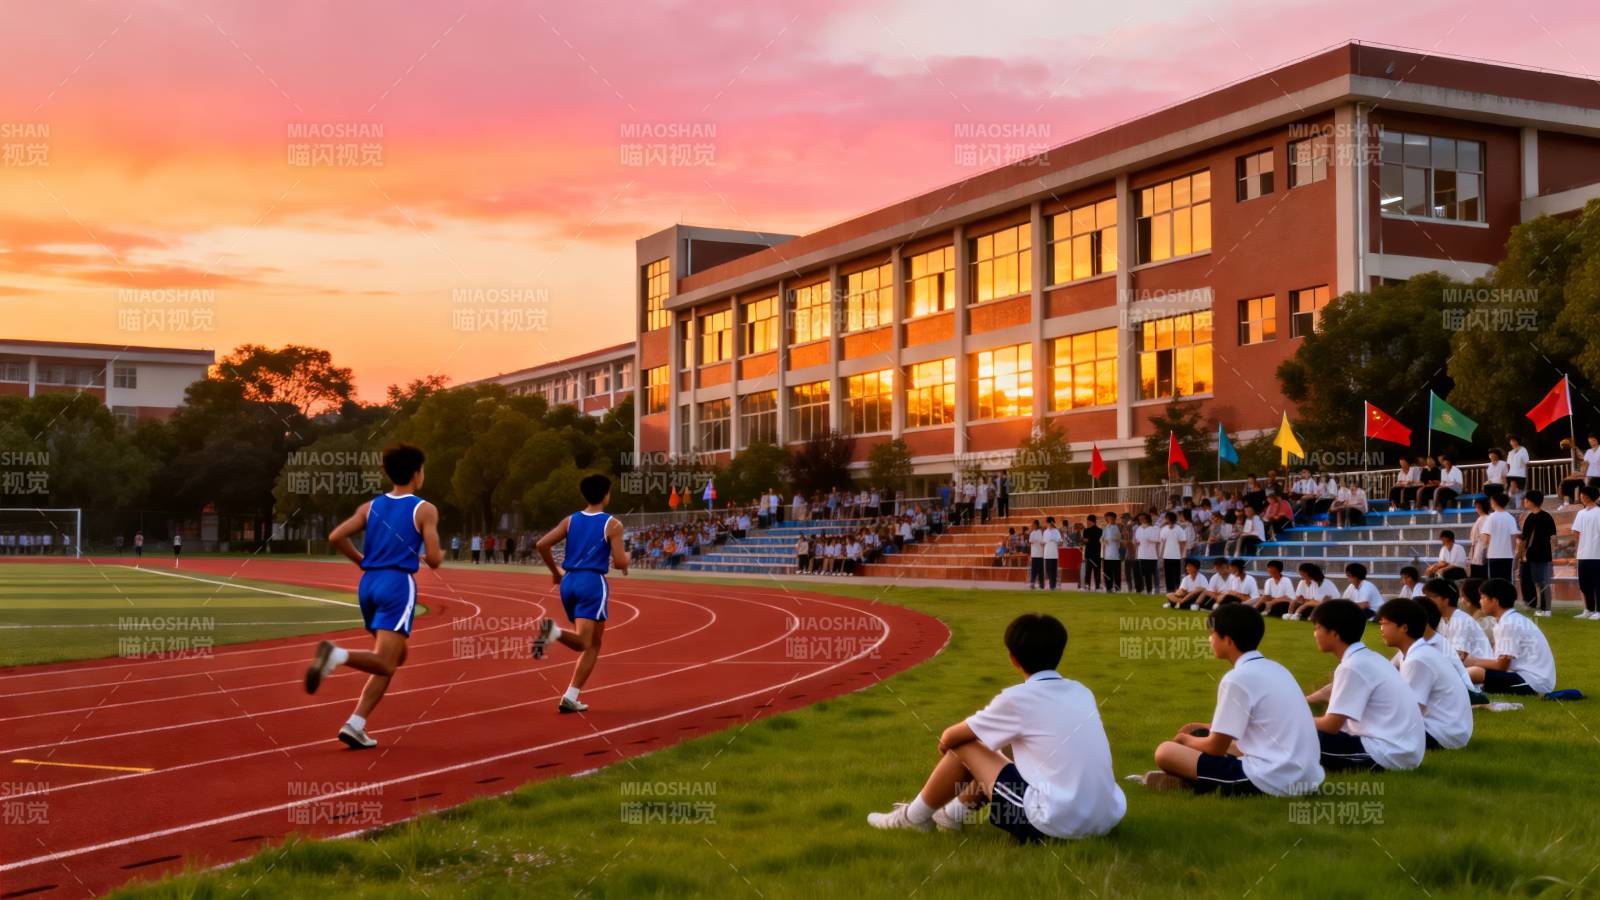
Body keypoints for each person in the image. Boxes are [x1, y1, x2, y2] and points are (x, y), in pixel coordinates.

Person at [866, 613, 1125, 840]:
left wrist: (952, 755)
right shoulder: (1082, 691)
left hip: (1055, 823)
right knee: (1009, 744)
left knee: (967, 745)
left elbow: (951, 737)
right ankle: (952, 814)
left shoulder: (1017, 699)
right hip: (1106, 817)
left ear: (1013, 659)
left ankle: (913, 818)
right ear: (1060, 652)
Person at [304, 443, 444, 749]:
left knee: (394, 657)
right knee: (385, 661)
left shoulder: (370, 507)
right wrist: (438, 553)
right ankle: (336, 655)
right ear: (418, 473)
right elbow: (433, 559)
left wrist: (362, 561)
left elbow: (336, 537)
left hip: (368, 585)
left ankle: (356, 724)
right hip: (397, 584)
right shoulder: (424, 509)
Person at [1137, 604, 1324, 796]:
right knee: (1202, 733)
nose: (1210, 640)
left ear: (1227, 640)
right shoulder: (1277, 668)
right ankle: (1194, 780)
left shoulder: (1236, 679)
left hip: (1273, 779)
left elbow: (1215, 748)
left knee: (1165, 751)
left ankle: (1193, 782)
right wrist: (1205, 728)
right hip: (1307, 776)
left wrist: (1184, 740)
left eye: (1212, 634)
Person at [531, 473, 631, 713]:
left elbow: (542, 544)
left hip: (569, 581)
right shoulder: (612, 524)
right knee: (585, 642)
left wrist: (555, 571)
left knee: (594, 643)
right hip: (592, 583)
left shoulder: (570, 520)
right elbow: (618, 561)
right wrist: (626, 560)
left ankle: (571, 696)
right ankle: (553, 631)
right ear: (606, 495)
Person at [1304, 599, 1426, 772]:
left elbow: (1332, 725)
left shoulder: (1353, 666)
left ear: (1334, 633)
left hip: (1386, 754)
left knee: (1297, 736)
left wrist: (1293, 721)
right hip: (1402, 750)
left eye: (1317, 628)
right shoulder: (1369, 658)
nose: (1315, 633)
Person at [1376, 598, 1472, 750]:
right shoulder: (1414, 651)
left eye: (1384, 623)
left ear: (1404, 627)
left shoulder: (1418, 659)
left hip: (1441, 734)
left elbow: (1410, 712)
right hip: (1447, 730)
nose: (1381, 629)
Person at [1465, 578, 1556, 696]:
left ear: (1495, 601)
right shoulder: (1511, 619)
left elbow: (1501, 666)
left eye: (1483, 597)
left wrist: (1472, 661)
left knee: (1474, 672)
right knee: (1472, 671)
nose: (1480, 601)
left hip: (1532, 683)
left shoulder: (1509, 623)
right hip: (1532, 679)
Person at [1518, 489, 1555, 617]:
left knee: (1542, 582)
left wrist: (1520, 554)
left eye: (1526, 500)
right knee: (1539, 582)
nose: (1524, 502)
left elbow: (1524, 539)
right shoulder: (1546, 516)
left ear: (1532, 502)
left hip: (1538, 555)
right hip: (1539, 555)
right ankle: (1543, 607)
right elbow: (1553, 538)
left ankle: (1546, 609)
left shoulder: (1532, 518)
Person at [1572, 485, 1600, 620]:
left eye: (1582, 494)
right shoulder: (1581, 513)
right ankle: (1588, 609)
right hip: (1583, 555)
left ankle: (1598, 611)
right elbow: (1576, 532)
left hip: (1597, 554)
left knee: (1598, 584)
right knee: (1585, 584)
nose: (1580, 497)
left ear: (1587, 496)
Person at [1480, 492, 1519, 583]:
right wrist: (1512, 552)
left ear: (1494, 502)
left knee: (1494, 582)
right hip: (1507, 555)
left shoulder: (1491, 518)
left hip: (1493, 555)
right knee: (1506, 581)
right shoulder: (1510, 518)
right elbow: (1514, 537)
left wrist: (1485, 551)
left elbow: (1486, 539)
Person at [1158, 512, 1186, 593]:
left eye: (1166, 518)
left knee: (1176, 575)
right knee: (1168, 574)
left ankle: (1177, 591)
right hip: (1167, 556)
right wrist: (1161, 555)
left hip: (1176, 556)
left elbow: (1182, 542)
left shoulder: (1179, 529)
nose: (1165, 520)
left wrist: (1181, 554)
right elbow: (1162, 542)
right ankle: (1169, 591)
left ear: (1169, 519)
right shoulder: (1164, 529)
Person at [1134, 513, 1159, 595]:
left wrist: (1151, 540)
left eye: (1142, 518)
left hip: (1151, 555)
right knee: (1141, 574)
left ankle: (1150, 590)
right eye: (1139, 518)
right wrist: (1136, 542)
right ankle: (1141, 589)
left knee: (1149, 574)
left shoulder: (1153, 528)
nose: (1141, 520)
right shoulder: (1138, 529)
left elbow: (1158, 540)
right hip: (1141, 555)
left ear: (1147, 519)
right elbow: (1137, 540)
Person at [1101, 513, 1122, 593]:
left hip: (1115, 554)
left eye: (1108, 517)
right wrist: (1103, 540)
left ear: (1113, 518)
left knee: (1116, 573)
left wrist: (1111, 538)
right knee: (1107, 572)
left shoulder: (1117, 527)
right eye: (1106, 518)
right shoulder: (1105, 528)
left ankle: (1117, 588)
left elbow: (1118, 538)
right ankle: (1109, 588)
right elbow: (1101, 538)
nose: (1107, 519)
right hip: (1107, 554)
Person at [1081, 515, 1103, 591]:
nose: (1087, 522)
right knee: (1097, 570)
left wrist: (1083, 540)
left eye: (1087, 521)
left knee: (1088, 571)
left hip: (1089, 553)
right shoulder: (1100, 530)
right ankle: (1097, 586)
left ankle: (1087, 586)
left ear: (1090, 521)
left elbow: (1085, 541)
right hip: (1097, 553)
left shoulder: (1086, 530)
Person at [1042, 517, 1063, 591]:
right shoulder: (1045, 532)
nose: (1050, 524)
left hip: (1053, 553)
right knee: (1048, 569)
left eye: (1051, 523)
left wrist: (1056, 540)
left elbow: (1060, 542)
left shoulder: (1056, 531)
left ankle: (1053, 585)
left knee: (1053, 570)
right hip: (1047, 553)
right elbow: (1043, 541)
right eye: (1048, 523)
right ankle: (1050, 584)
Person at [1028, 518, 1046, 590]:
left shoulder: (1041, 532)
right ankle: (1032, 583)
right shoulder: (1032, 533)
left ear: (1036, 525)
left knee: (1040, 570)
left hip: (1040, 554)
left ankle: (1041, 584)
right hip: (1034, 554)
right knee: (1033, 570)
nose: (1032, 526)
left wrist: (1037, 541)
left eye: (1034, 524)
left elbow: (1042, 541)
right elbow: (1030, 542)